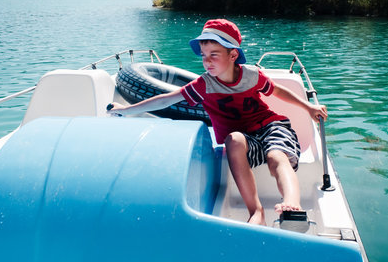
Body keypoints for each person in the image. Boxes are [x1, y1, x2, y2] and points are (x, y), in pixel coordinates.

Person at [108, 19, 328, 225]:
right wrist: (126, 110)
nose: (207, 61)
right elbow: (167, 99)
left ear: (233, 55)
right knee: (233, 139)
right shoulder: (203, 85)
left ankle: (292, 204)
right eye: (203, 55)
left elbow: (278, 91)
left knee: (276, 157)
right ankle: (256, 211)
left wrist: (309, 107)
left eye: (214, 54)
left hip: (271, 127)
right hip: (245, 139)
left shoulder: (252, 75)